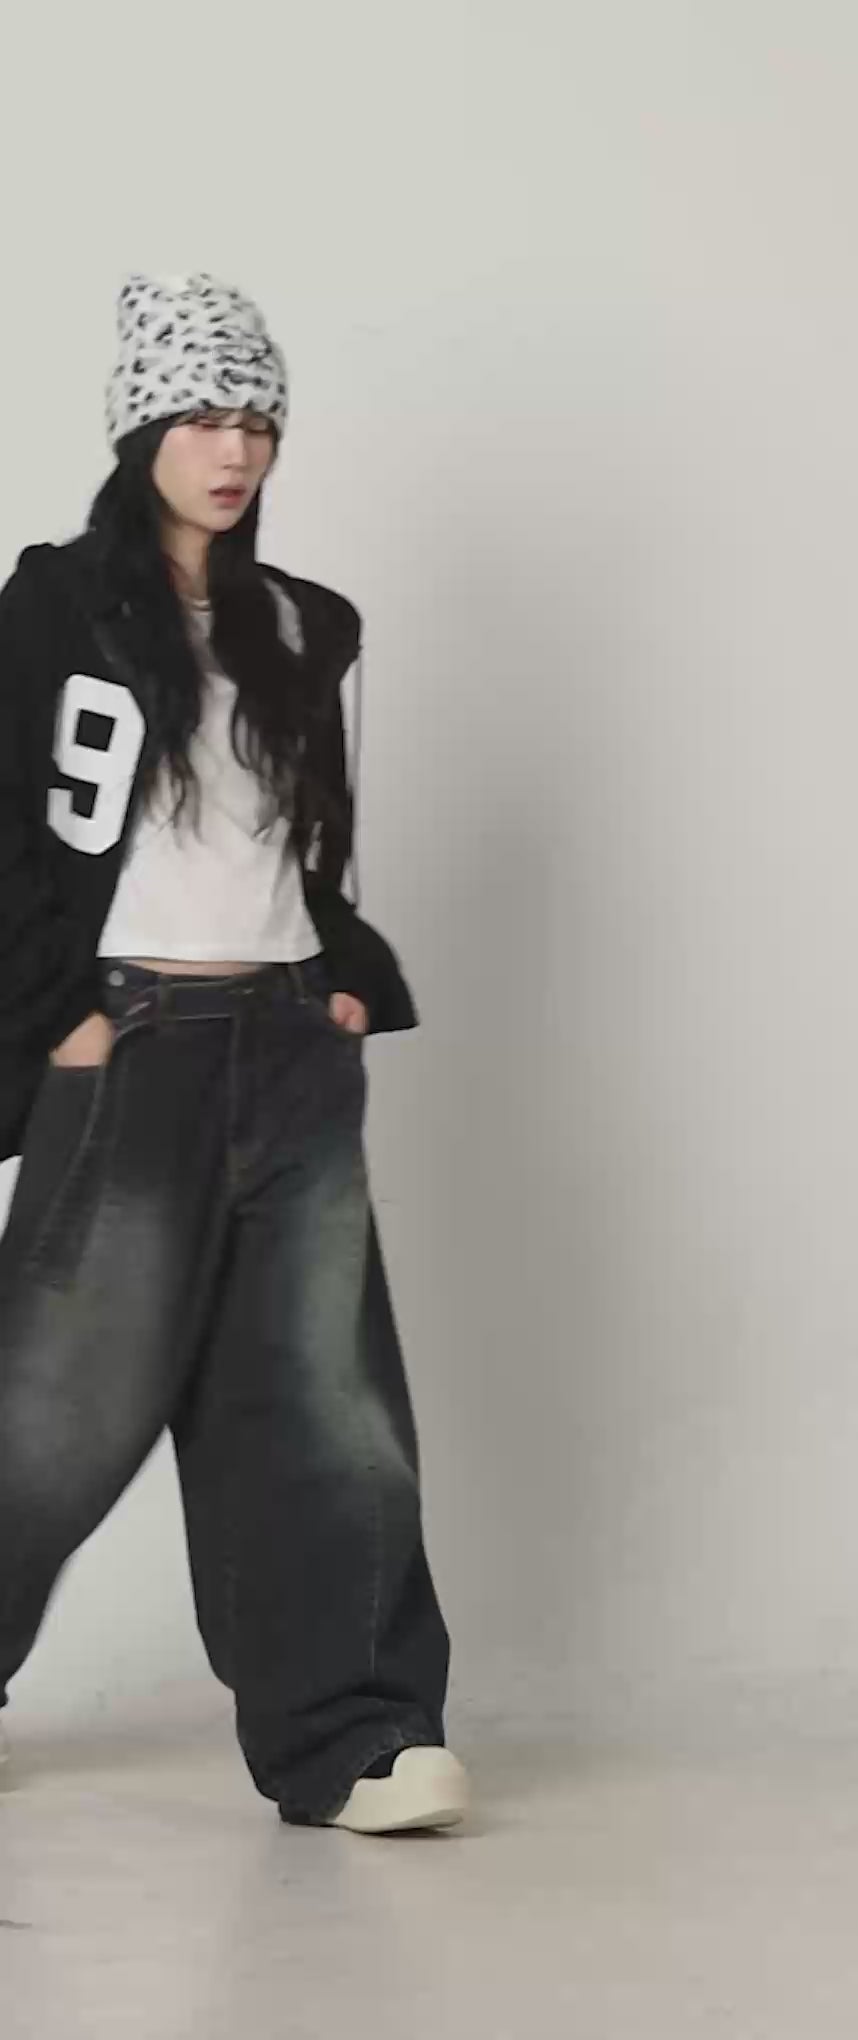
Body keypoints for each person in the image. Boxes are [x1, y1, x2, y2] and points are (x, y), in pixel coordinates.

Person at [0, 272, 467, 1834]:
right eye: (203, 416)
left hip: (287, 1047)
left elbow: (307, 844)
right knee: (54, 1407)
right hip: (128, 1044)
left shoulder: (301, 628)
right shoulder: (53, 610)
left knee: (325, 1400)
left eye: (258, 419)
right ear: (142, 428)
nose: (235, 448)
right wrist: (53, 1018)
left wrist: (340, 981)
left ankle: (357, 1738)